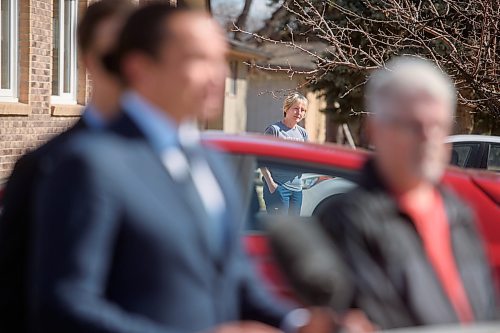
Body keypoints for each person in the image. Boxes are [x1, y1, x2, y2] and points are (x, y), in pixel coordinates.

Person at [29, 4, 331, 333]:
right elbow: (66, 305)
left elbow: (233, 278)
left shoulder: (211, 161)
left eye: (219, 58)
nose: (218, 74)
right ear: (139, 69)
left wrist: (299, 322)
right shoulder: (89, 164)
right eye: (198, 59)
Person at [319, 56, 498, 329]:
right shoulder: (349, 220)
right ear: (375, 131)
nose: (428, 139)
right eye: (413, 126)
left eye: (437, 126)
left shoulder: (458, 213)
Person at [0, 1, 134, 331]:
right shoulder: (44, 167)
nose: (133, 71)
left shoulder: (183, 162)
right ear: (89, 62)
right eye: (115, 59)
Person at [261, 92, 309, 215]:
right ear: (286, 108)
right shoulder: (274, 130)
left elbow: (307, 159)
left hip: (297, 189)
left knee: (291, 231)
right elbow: (261, 159)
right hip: (278, 187)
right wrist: (271, 184)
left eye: (303, 110)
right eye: (296, 108)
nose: (299, 112)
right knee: (278, 231)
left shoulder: (303, 134)